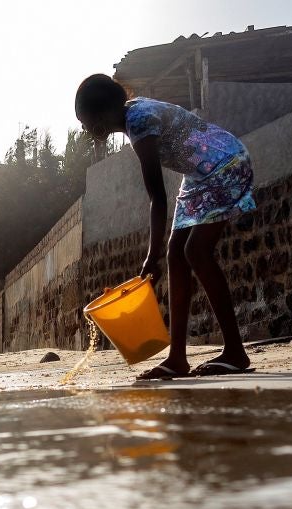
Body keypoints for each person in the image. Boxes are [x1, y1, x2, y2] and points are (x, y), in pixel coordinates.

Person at [75, 74, 256, 380]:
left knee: (196, 252)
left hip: (225, 163)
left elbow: (157, 198)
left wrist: (149, 257)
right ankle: (177, 358)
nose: (85, 129)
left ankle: (235, 352)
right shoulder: (132, 116)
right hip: (199, 174)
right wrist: (159, 255)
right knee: (176, 255)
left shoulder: (140, 123)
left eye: (86, 122)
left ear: (101, 116)